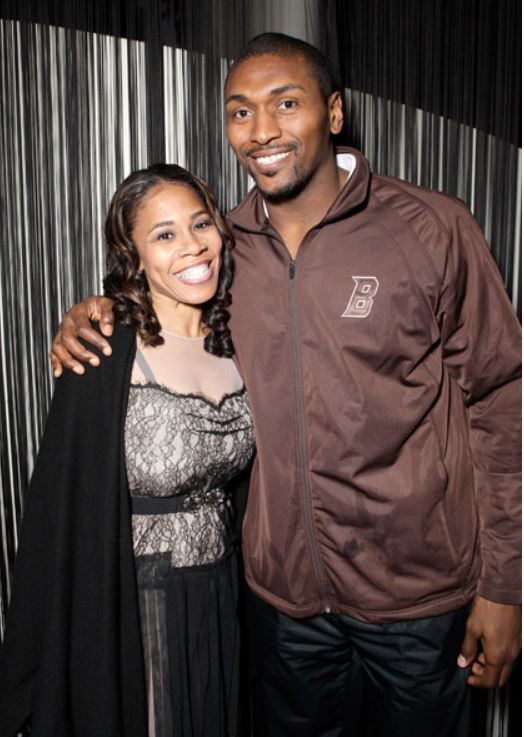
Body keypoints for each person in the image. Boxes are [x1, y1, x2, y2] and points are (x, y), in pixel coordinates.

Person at [48, 33, 521, 737]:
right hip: (283, 606)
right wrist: (97, 312)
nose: (261, 130)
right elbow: (164, 298)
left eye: (286, 103)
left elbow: (503, 399)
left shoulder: (431, 228)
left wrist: (506, 585)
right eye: (240, 111)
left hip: (418, 601)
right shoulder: (226, 248)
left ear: (334, 112)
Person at [0, 164, 254, 737]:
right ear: (133, 255)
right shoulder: (103, 349)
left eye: (200, 224)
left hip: (223, 593)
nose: (192, 246)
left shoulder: (240, 339)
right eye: (164, 234)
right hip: (135, 602)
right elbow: (56, 510)